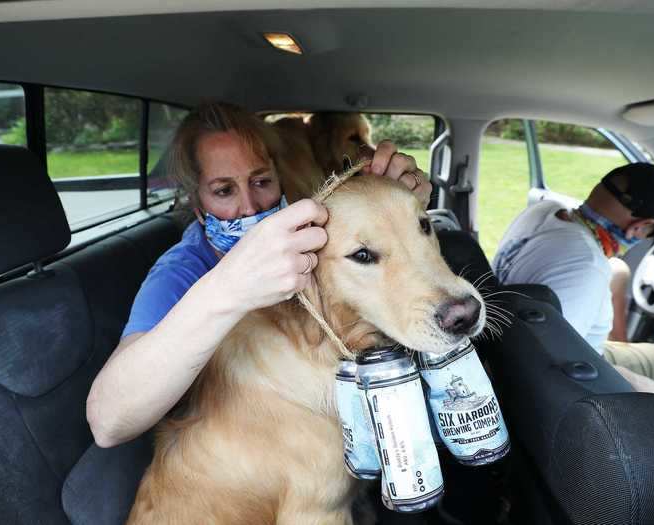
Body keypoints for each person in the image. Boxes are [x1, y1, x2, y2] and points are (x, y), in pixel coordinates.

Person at [86, 102, 432, 448]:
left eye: (261, 181)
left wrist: (399, 202)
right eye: (224, 190)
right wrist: (229, 289)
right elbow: (108, 422)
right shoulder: (180, 273)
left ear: (281, 180)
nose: (251, 207)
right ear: (197, 205)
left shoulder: (308, 229)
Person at [492, 162, 654, 395]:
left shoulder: (544, 209)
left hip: (577, 349)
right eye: (651, 234)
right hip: (584, 371)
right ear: (640, 226)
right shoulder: (587, 266)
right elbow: (550, 371)